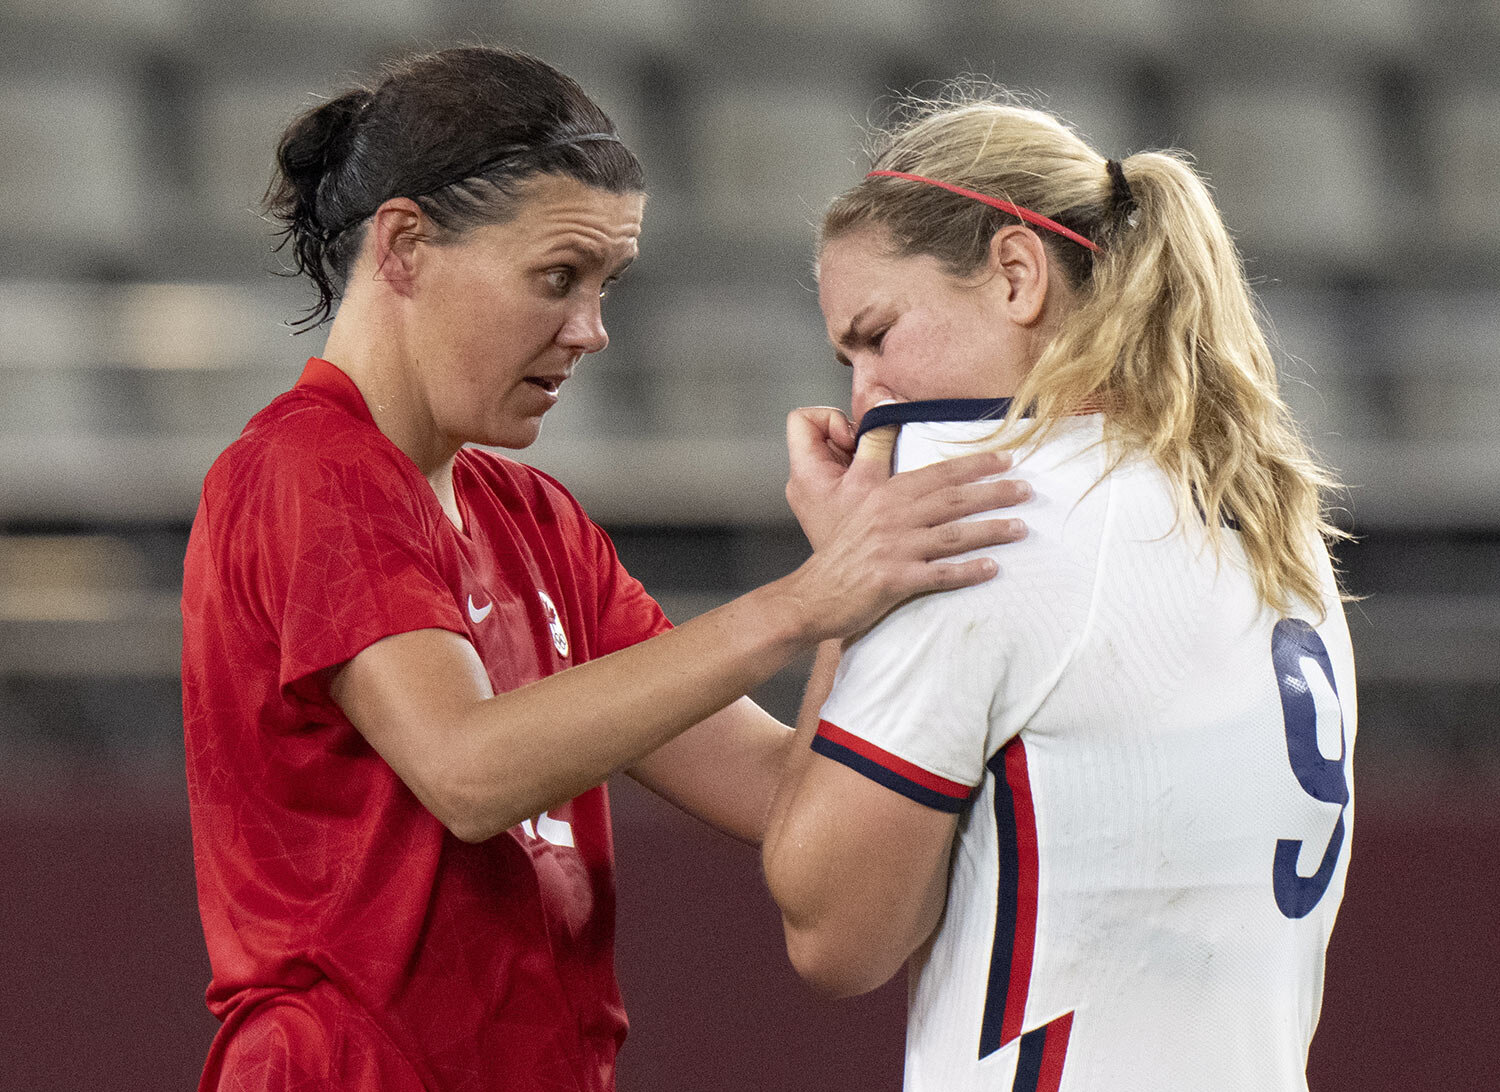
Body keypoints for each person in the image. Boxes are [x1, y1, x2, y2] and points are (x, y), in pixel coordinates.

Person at [179, 47, 1036, 1092]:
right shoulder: (306, 470)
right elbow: (466, 769)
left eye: (605, 285)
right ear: (402, 246)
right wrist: (801, 603)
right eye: (557, 278)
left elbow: (784, 794)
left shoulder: (535, 517)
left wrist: (849, 586)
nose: (590, 331)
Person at [761, 89, 1356, 1092]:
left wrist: (845, 589)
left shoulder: (981, 519)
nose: (862, 396)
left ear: (1015, 273)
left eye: (878, 333)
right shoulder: (1264, 512)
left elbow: (837, 931)